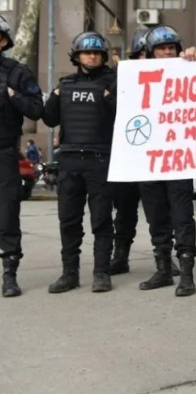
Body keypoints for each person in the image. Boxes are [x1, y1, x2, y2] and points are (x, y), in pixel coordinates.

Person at [42, 31, 117, 293]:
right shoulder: (66, 84)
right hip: (70, 160)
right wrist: (55, 95)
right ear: (77, 56)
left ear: (103, 56)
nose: (92, 56)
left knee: (101, 220)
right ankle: (69, 274)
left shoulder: (114, 83)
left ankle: (101, 272)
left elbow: (126, 116)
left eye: (97, 52)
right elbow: (49, 119)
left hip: (100, 159)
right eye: (87, 52)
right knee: (69, 220)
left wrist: (110, 98)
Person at [136, 25, 196, 297]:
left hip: (178, 160)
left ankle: (187, 275)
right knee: (156, 217)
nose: (167, 52)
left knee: (183, 218)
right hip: (149, 160)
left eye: (171, 47)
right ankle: (163, 269)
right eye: (161, 48)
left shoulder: (190, 68)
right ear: (150, 52)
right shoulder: (136, 75)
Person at [109, 27, 166, 276]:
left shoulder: (171, 74)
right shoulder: (121, 75)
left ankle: (164, 259)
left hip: (156, 156)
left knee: (159, 211)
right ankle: (120, 255)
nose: (146, 58)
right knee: (124, 210)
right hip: (129, 154)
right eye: (142, 53)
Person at [0, 15, 44, 298]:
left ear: (4, 41)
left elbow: (37, 109)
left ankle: (9, 274)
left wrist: (13, 96)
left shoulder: (17, 72)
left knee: (6, 215)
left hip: (4, 153)